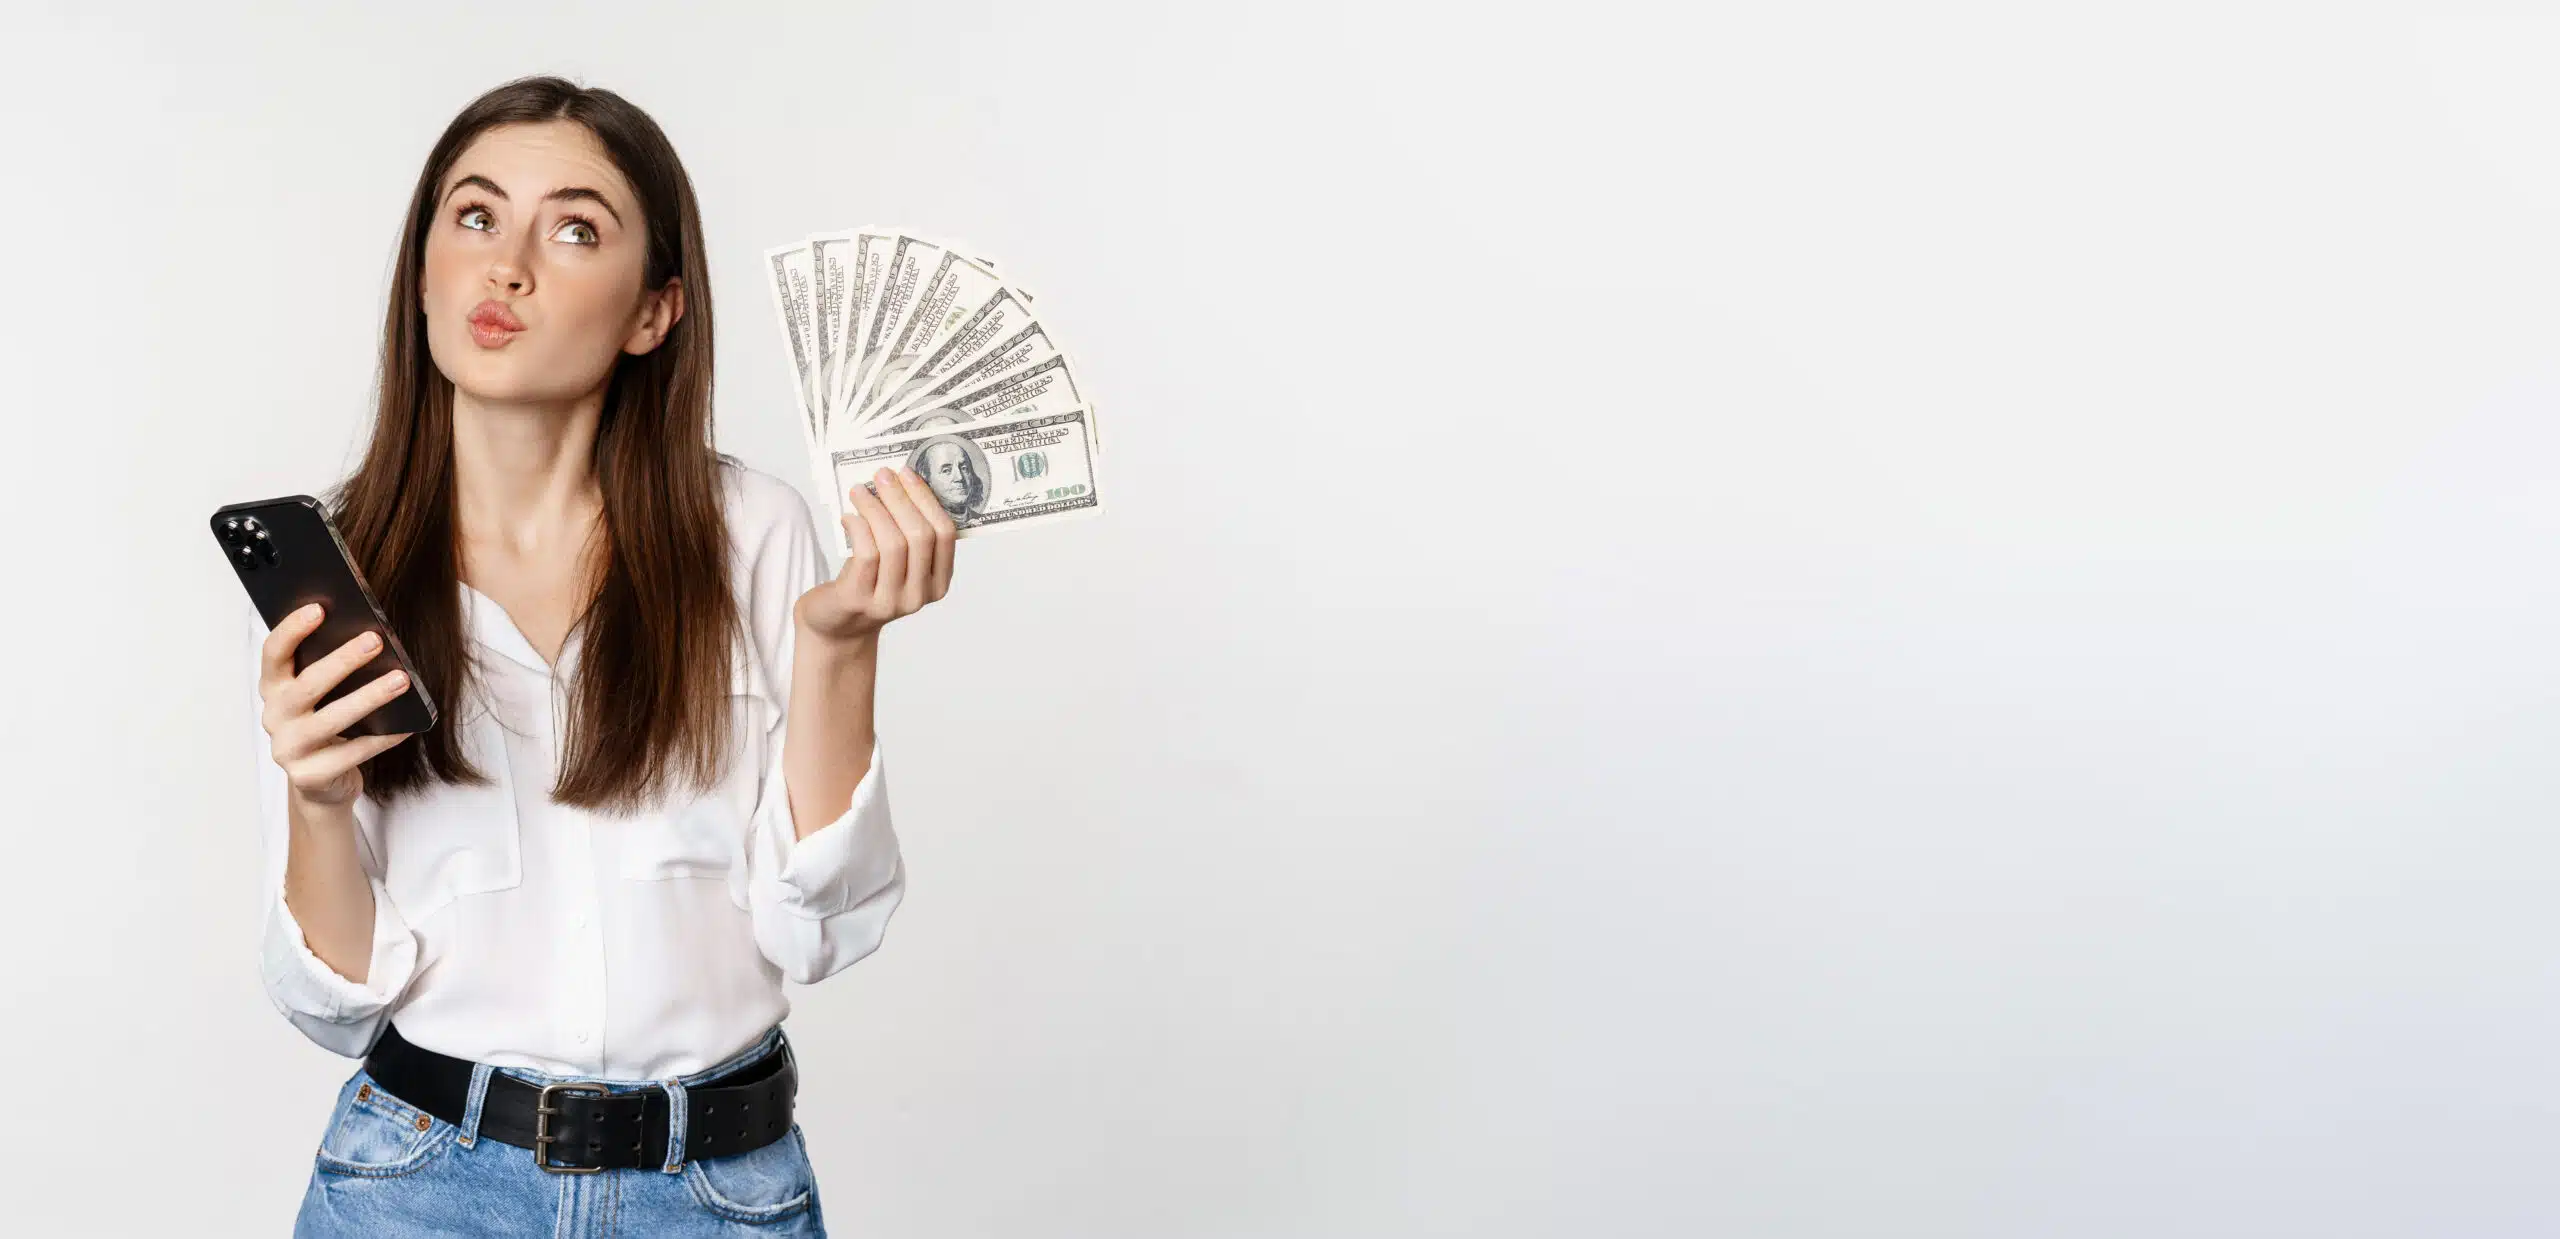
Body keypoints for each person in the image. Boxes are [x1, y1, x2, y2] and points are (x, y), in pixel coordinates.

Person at [251, 75, 956, 1237]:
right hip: (420, 1187)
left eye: (574, 229)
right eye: (474, 217)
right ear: (422, 268)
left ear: (653, 313)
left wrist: (841, 647)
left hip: (716, 1191)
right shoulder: (339, 575)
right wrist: (318, 798)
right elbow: (331, 1002)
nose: (507, 266)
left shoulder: (753, 533)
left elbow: (818, 932)